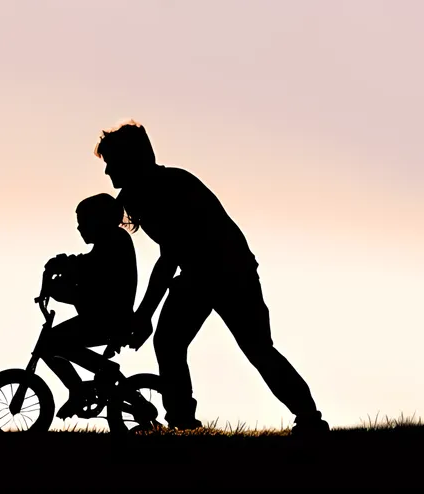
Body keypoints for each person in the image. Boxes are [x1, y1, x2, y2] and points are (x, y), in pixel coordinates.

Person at [93, 120, 329, 435]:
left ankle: (309, 418)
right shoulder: (139, 193)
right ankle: (182, 422)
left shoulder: (165, 186)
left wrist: (144, 314)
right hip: (202, 274)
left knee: (254, 348)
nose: (107, 171)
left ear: (129, 159)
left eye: (110, 163)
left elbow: (169, 257)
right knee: (174, 343)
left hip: (228, 273)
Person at [41, 193, 138, 419]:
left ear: (98, 220)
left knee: (52, 343)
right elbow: (87, 273)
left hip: (109, 318)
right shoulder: (111, 241)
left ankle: (83, 386)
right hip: (104, 315)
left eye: (83, 222)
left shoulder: (115, 240)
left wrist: (64, 265)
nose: (79, 228)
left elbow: (90, 269)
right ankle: (84, 385)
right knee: (54, 344)